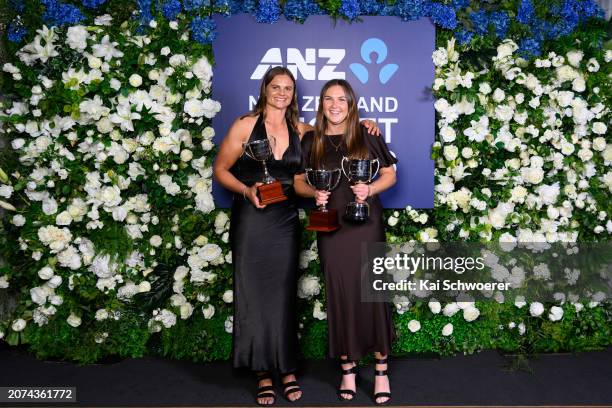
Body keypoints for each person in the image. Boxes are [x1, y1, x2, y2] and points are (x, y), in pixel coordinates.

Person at [213, 67, 380, 406]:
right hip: (252, 217)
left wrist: (366, 125)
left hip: (286, 219)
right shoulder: (245, 125)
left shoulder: (302, 129)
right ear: (265, 89)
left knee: (284, 294)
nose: (282, 93)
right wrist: (247, 191)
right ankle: (263, 373)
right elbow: (220, 170)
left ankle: (287, 369)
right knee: (254, 294)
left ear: (293, 94)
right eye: (276, 87)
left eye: (288, 88)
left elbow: (332, 136)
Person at [294, 79, 397, 406]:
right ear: (321, 104)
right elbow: (298, 181)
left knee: (372, 292)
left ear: (352, 105)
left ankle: (381, 370)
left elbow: (391, 173)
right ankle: (348, 369)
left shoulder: (367, 134)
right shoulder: (311, 139)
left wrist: (370, 190)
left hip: (366, 224)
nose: (335, 105)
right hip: (331, 228)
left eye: (342, 99)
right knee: (340, 294)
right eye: (328, 99)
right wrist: (314, 192)